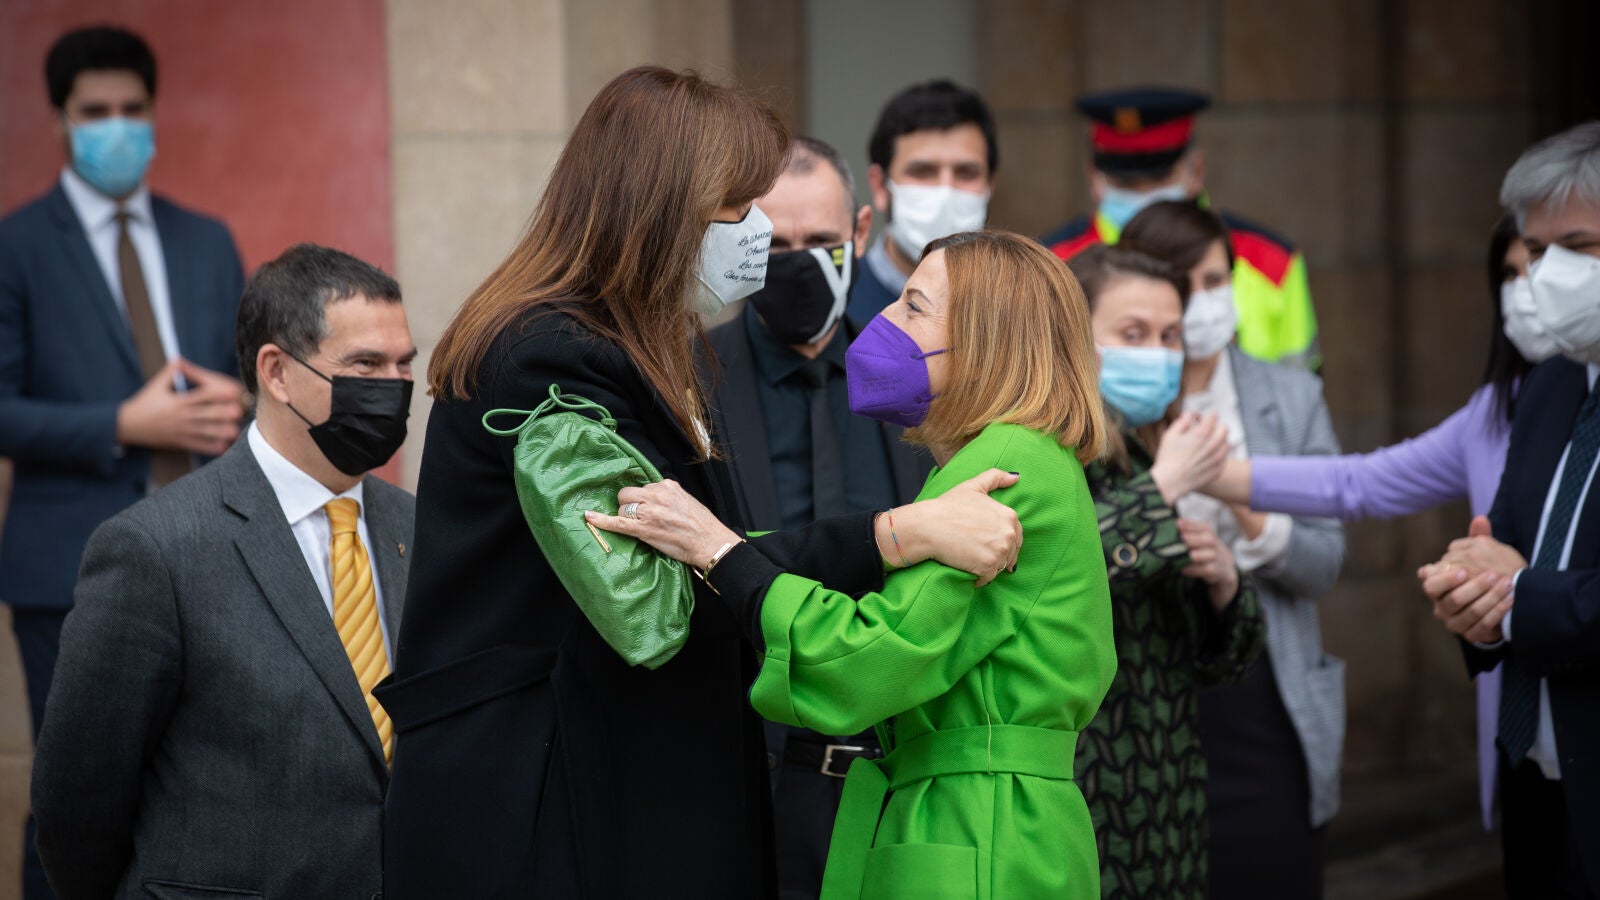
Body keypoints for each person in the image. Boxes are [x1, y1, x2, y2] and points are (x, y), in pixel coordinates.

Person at [377, 67, 1024, 898]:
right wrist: (892, 536)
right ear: (661, 208)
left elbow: (716, 546)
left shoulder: (637, 346)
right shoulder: (550, 359)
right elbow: (656, 596)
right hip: (546, 808)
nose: (760, 230)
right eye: (738, 207)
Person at [596, 229, 1117, 898]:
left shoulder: (1007, 461)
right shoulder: (1020, 456)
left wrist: (721, 553)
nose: (883, 320)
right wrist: (709, 542)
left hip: (979, 823)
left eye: (914, 306)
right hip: (984, 815)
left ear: (986, 339)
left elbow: (867, 661)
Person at [31, 244, 416, 898]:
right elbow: (78, 802)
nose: (394, 386)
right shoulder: (154, 548)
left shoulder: (417, 527)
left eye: (404, 364)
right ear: (277, 372)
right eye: (365, 365)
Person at [1188, 213, 1534, 834]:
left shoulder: (1286, 393)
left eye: (1565, 253)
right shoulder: (1493, 411)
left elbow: (1327, 545)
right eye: (1511, 273)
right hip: (1525, 736)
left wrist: (1526, 588)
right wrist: (1207, 473)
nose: (1531, 288)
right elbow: (1359, 482)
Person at [0, 26, 245, 898]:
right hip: (67, 563)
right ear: (60, 121)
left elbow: (254, 378)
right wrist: (122, 422)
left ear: (153, 114)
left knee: (202, 785)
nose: (116, 127)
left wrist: (241, 397)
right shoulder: (17, 245)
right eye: (94, 112)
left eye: (131, 109)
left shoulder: (206, 239)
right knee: (72, 799)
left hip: (210, 554)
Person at [702, 135, 934, 899]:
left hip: (897, 784)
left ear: (862, 232)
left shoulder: (921, 386)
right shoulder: (688, 379)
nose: (798, 264)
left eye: (822, 241)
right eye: (775, 244)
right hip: (744, 782)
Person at [1121, 200, 1347, 898]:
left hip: (1264, 686)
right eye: (1183, 283)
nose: (1202, 301)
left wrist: (1240, 498)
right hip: (1144, 693)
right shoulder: (1113, 396)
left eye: (1216, 280)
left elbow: (1324, 563)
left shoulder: (1290, 395)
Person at [1420, 121, 1600, 897]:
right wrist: (1474, 600)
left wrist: (1517, 593)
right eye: (1536, 249)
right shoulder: (1550, 384)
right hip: (1537, 786)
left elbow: (1522, 580)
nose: (1546, 273)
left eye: (1579, 247)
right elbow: (1500, 547)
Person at [1066, 243, 1264, 899]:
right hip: (1086, 790)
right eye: (1133, 334)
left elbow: (1218, 664)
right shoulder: (1046, 447)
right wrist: (1165, 487)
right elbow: (1051, 575)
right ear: (1076, 338)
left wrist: (1225, 585)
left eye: (1169, 335)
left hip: (1167, 794)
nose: (1157, 352)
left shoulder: (1149, 447)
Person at [1043, 87, 1320, 370]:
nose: (1144, 193)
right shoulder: (1051, 265)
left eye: (1159, 178)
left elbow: (1301, 381)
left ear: (1196, 170)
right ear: (1093, 177)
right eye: (1126, 182)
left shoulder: (1272, 262)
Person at [847, 79, 997, 324]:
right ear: (880, 186)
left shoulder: (1019, 309)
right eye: (923, 172)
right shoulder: (839, 306)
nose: (945, 191)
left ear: (990, 186)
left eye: (966, 173)